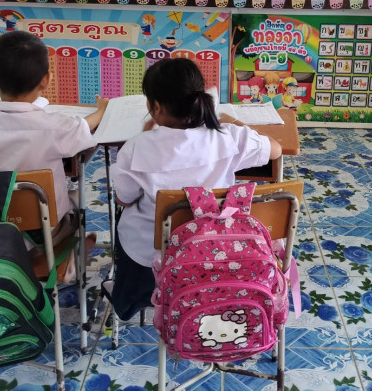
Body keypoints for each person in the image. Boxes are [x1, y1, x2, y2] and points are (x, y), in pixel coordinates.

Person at [107, 58, 281, 321]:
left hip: (151, 254)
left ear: (155, 107)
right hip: (214, 251)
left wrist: (146, 135)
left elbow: (124, 199)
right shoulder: (229, 136)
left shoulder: (135, 148)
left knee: (126, 223)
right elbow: (275, 149)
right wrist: (234, 123)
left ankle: (131, 298)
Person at [0, 31, 108, 258]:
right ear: (46, 80)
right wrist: (101, 110)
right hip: (44, 236)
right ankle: (70, 259)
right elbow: (84, 127)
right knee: (76, 198)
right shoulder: (56, 126)